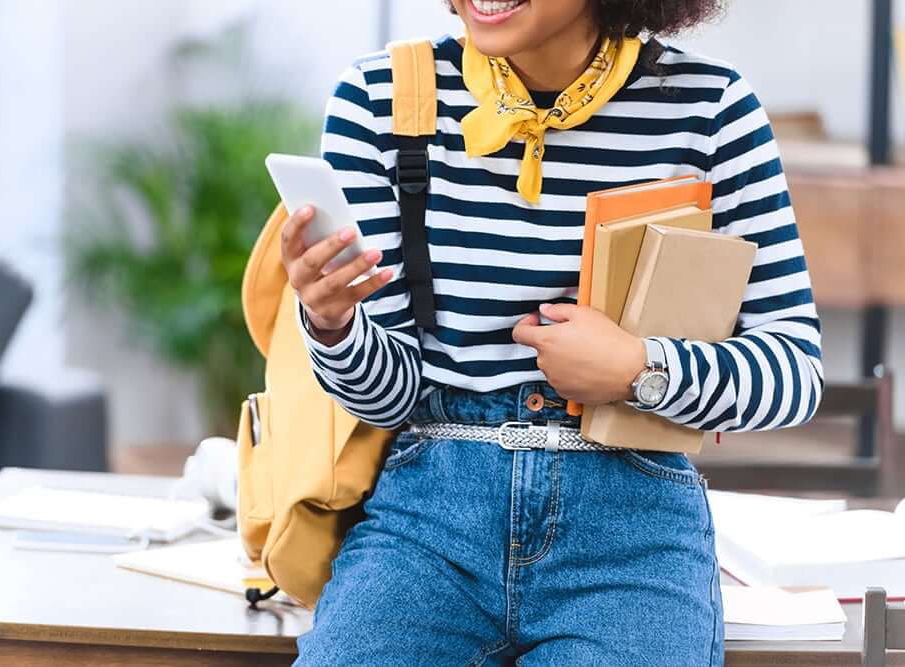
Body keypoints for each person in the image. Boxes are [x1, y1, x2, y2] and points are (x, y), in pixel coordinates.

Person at [281, 0, 823, 664]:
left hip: (631, 527)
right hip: (430, 524)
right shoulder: (382, 100)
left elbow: (795, 369)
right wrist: (333, 324)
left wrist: (638, 368)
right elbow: (386, 399)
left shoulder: (710, 109)